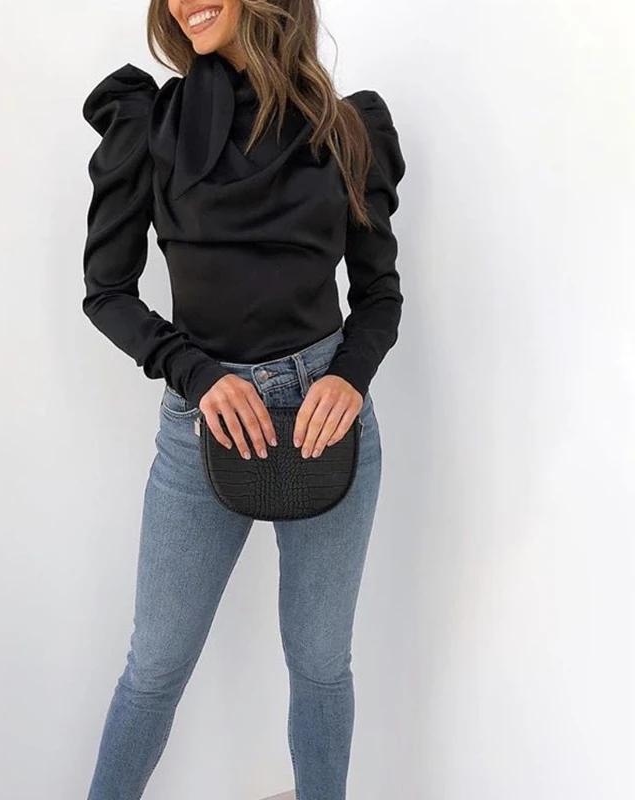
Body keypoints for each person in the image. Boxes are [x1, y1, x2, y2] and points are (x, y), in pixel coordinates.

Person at [80, 1, 406, 797]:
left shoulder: (346, 127)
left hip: (326, 413)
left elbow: (379, 294)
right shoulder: (147, 124)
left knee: (321, 665)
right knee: (154, 670)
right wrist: (197, 374)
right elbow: (106, 291)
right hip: (204, 420)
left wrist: (348, 376)